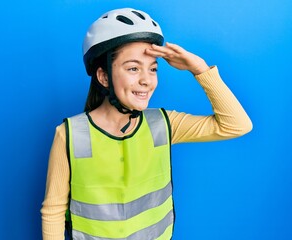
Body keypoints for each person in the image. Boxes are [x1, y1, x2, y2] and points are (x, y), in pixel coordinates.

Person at [41, 8, 252, 240]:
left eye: (152, 69)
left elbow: (237, 125)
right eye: (133, 68)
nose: (146, 80)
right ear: (103, 77)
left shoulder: (163, 123)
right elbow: (53, 212)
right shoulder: (70, 134)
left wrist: (199, 69)